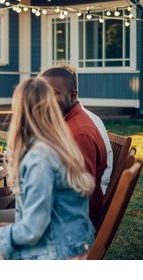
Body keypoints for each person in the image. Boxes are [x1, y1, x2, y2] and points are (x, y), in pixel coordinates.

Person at [0, 78, 95, 260]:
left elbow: (32, 230)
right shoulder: (59, 143)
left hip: (57, 250)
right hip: (69, 239)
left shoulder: (40, 158)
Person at [40, 67, 107, 228]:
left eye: (54, 93)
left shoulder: (79, 135)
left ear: (73, 95)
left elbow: (78, 201)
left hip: (65, 229)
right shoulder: (67, 121)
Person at [53, 64, 113, 194]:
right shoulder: (68, 117)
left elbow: (80, 191)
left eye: (54, 92)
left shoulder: (81, 130)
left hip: (83, 201)